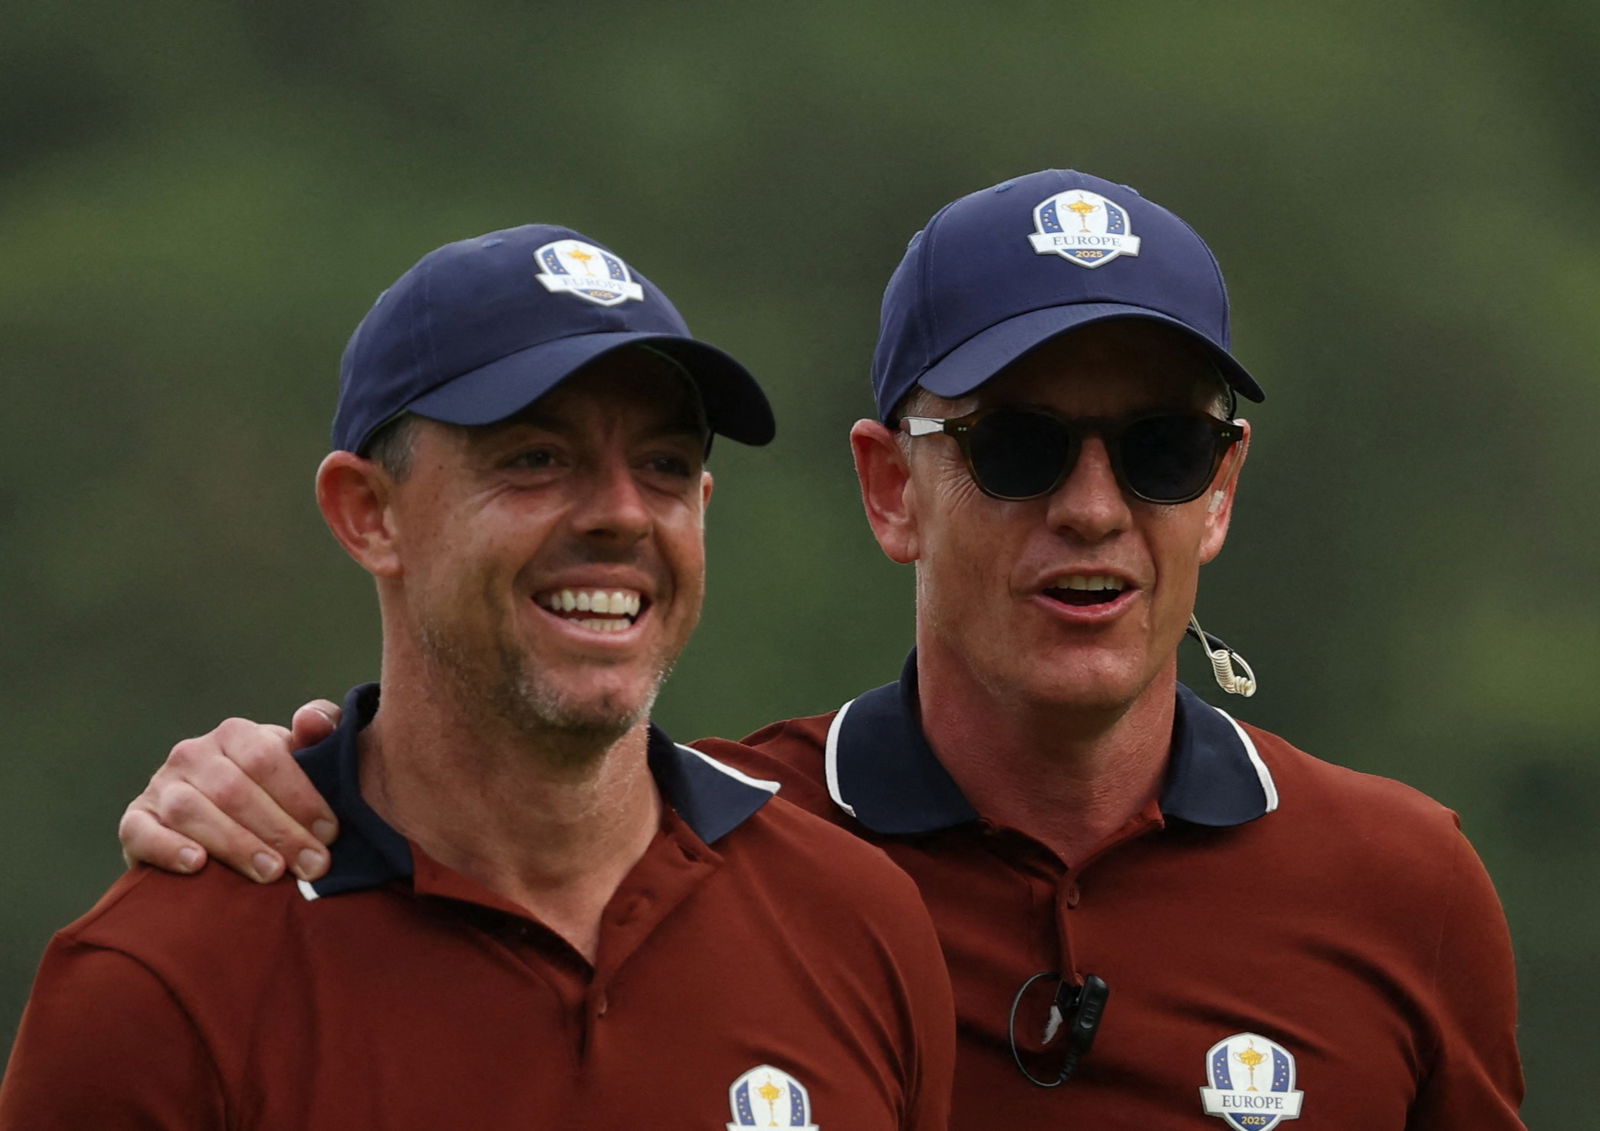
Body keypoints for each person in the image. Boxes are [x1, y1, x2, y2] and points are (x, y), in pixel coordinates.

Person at [111, 171, 1526, 1128]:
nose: (1094, 506)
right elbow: (480, 812)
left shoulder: (1403, 887)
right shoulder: (734, 867)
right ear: (892, 485)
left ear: (1221, 487)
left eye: (1161, 449)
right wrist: (287, 783)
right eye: (1018, 445)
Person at [0, 225, 957, 1130]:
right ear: (368, 513)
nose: (623, 514)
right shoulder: (157, 987)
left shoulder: (854, 920)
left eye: (664, 464)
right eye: (537, 458)